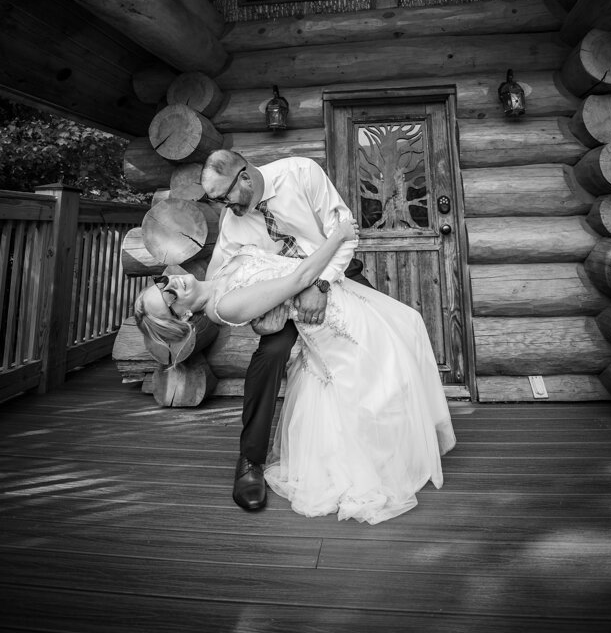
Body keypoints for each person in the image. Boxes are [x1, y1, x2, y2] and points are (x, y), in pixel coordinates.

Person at [134, 217, 457, 524]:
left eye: (161, 282)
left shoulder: (218, 272)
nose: (171, 283)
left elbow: (276, 257)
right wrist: (339, 235)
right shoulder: (224, 305)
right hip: (333, 319)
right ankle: (389, 461)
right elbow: (299, 280)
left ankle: (402, 448)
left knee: (400, 340)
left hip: (343, 298)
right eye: (169, 296)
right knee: (383, 376)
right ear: (184, 317)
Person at [199, 150, 375, 512]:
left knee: (375, 341)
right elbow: (217, 280)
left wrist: (321, 284)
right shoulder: (232, 221)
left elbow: (345, 230)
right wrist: (248, 305)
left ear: (245, 177)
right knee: (271, 355)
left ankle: (376, 439)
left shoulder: (300, 173)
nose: (222, 206)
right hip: (286, 302)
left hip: (336, 273)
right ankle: (250, 460)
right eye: (214, 200)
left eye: (224, 196)